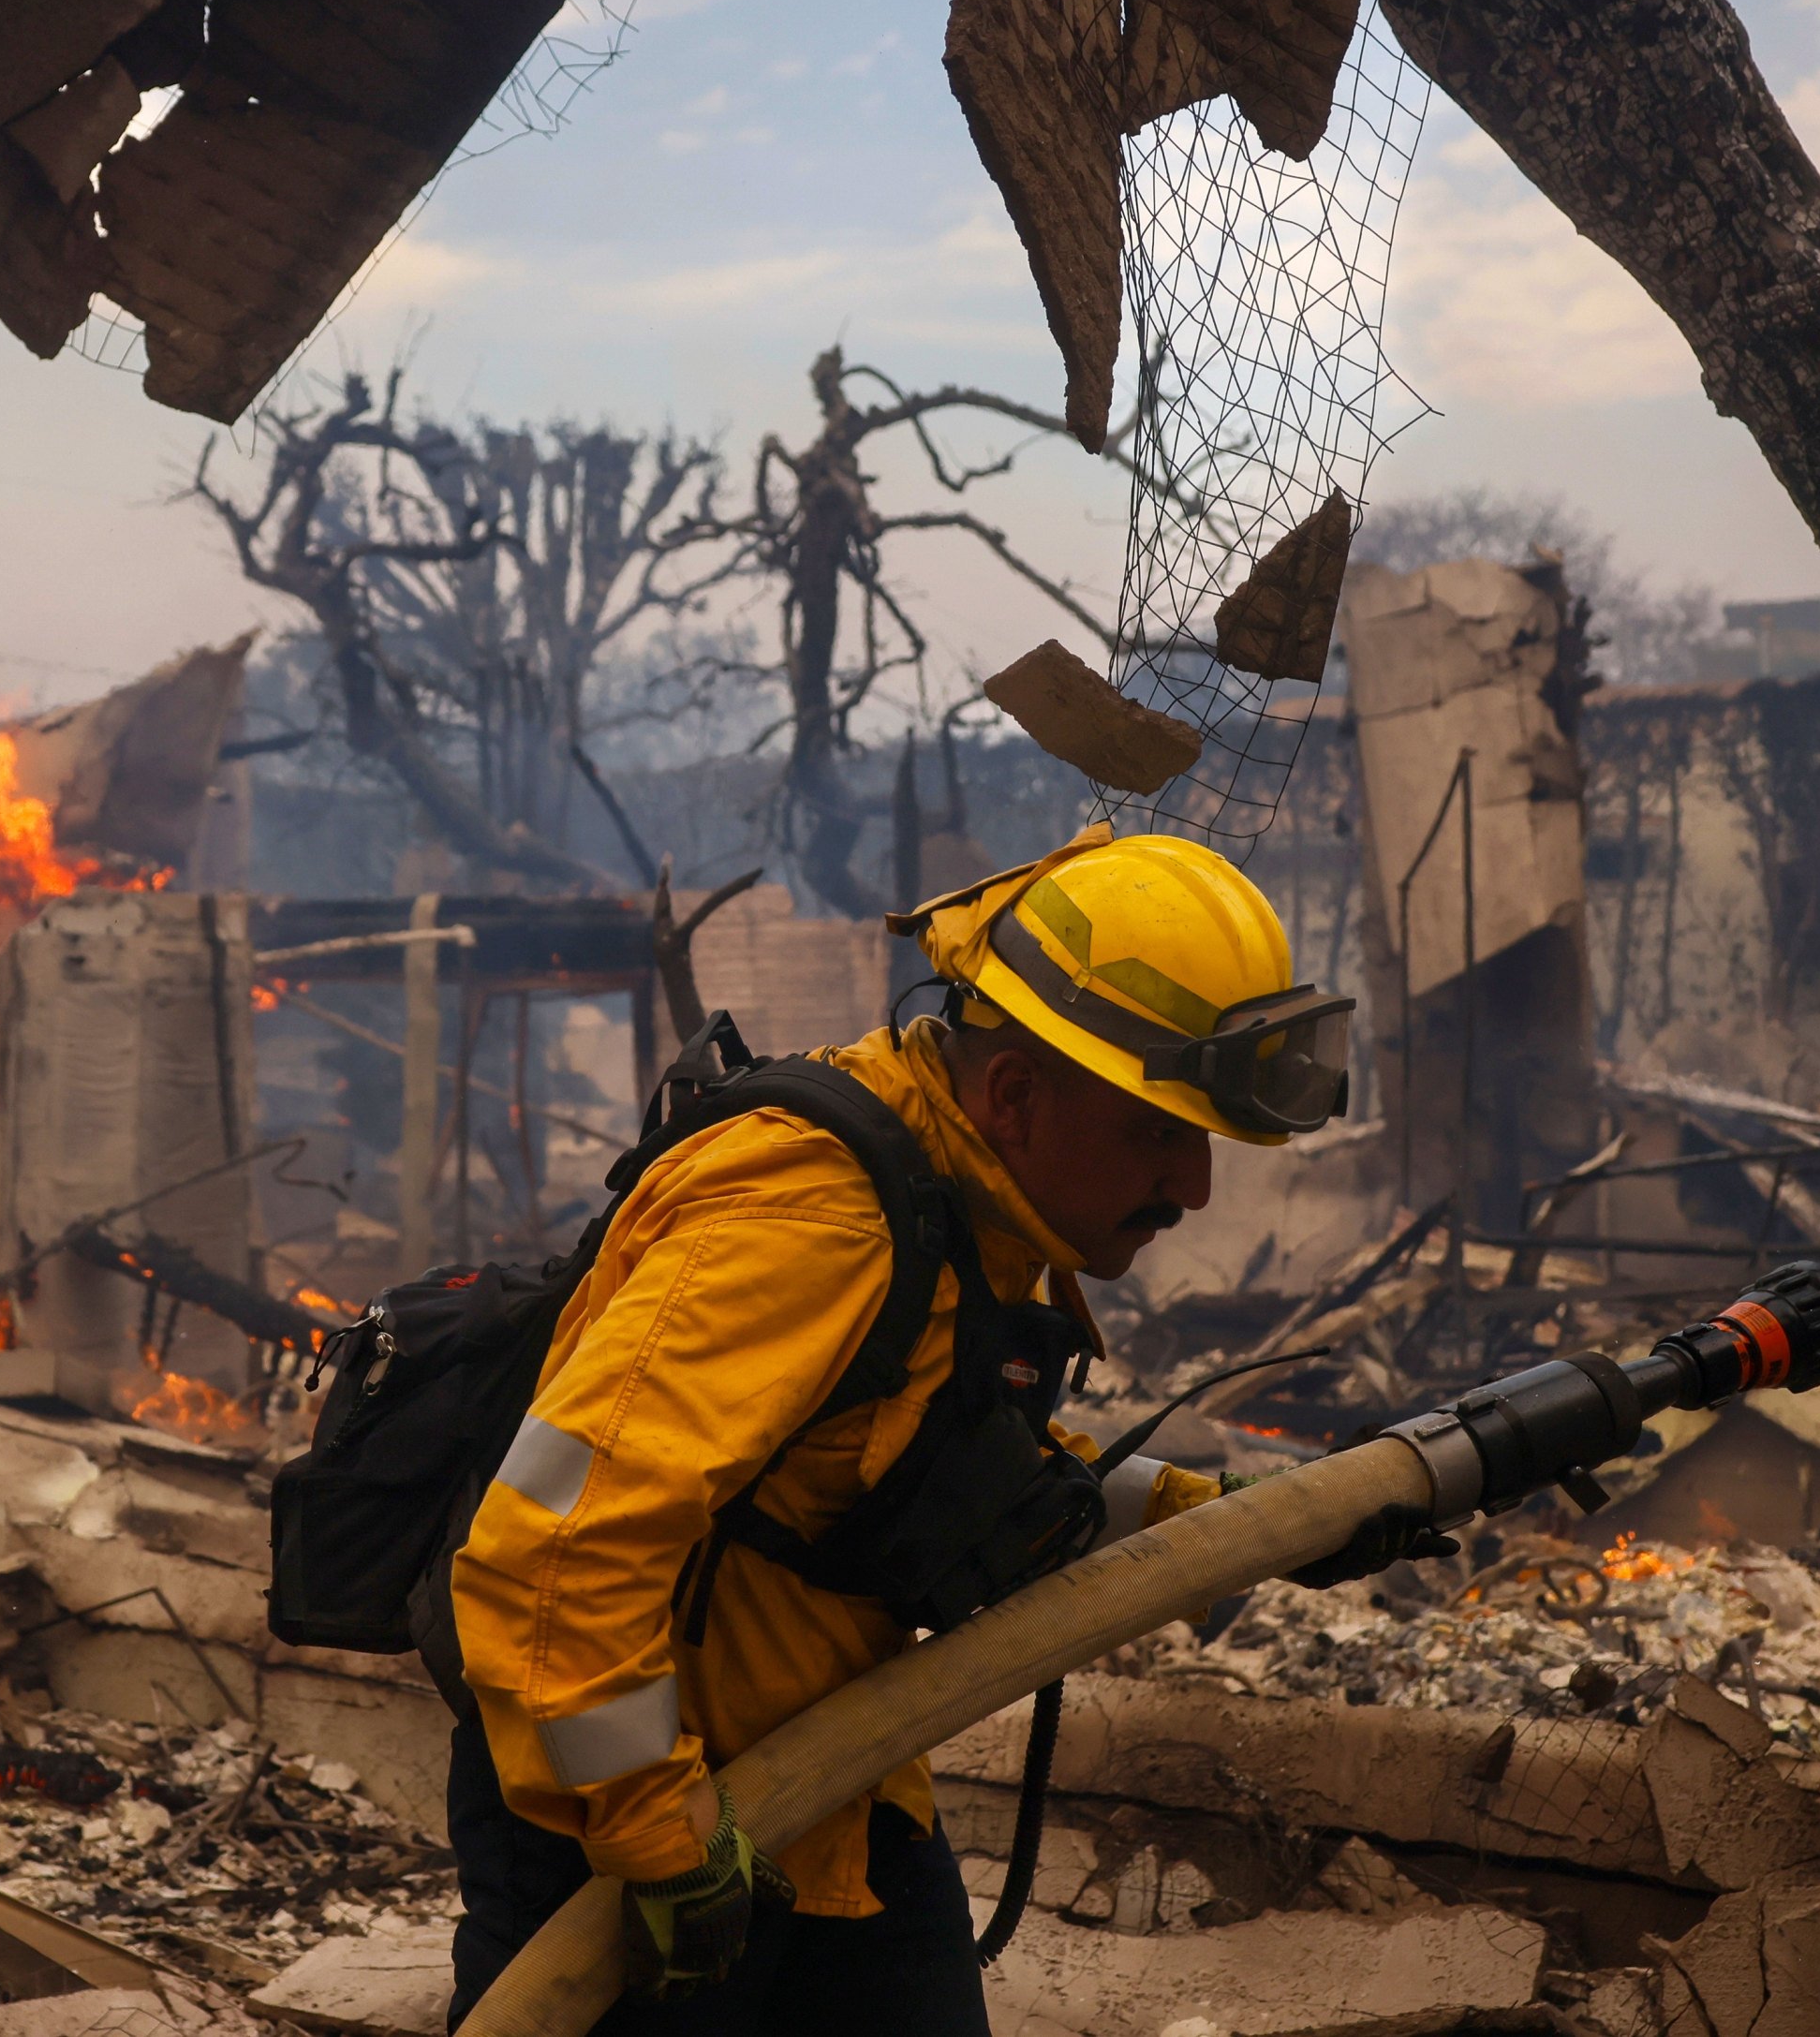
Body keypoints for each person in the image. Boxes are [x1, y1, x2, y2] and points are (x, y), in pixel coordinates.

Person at [442, 823, 1367, 2030]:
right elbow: (555, 1541)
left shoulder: (966, 1199)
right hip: (638, 1825)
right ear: (1017, 1095)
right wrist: (655, 1836)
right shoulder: (811, 1220)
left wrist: (1230, 1530)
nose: (1192, 1187)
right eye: (1157, 1130)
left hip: (841, 1797)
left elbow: (927, 1470)